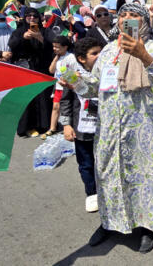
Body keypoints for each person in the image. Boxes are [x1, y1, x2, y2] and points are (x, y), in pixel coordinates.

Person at [71, 3, 153, 253]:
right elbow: (96, 86)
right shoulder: (108, 51)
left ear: (143, 22)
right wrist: (75, 81)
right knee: (109, 175)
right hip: (110, 129)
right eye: (124, 15)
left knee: (143, 178)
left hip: (143, 130)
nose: (127, 19)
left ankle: (147, 227)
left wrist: (143, 56)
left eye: (134, 16)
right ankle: (110, 223)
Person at [59, 36, 103, 212]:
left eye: (101, 52)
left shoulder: (108, 72)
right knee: (86, 164)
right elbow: (65, 101)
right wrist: (66, 125)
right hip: (82, 129)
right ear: (81, 59)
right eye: (94, 53)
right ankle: (92, 194)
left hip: (104, 129)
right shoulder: (71, 74)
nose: (99, 56)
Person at [9, 7, 53, 137]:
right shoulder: (18, 32)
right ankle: (28, 126)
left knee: (43, 98)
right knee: (28, 99)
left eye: (35, 16)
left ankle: (45, 125)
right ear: (24, 17)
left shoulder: (45, 31)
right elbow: (12, 45)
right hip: (25, 69)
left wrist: (40, 38)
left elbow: (54, 45)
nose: (32, 18)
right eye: (29, 16)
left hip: (42, 69)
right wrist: (23, 38)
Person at [43, 35, 76, 139]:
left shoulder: (71, 57)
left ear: (65, 47)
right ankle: (52, 128)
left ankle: (67, 127)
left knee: (66, 107)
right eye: (54, 46)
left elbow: (76, 72)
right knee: (55, 107)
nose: (54, 49)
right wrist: (55, 59)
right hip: (57, 86)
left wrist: (67, 79)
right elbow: (51, 71)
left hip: (67, 87)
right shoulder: (56, 57)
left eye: (57, 47)